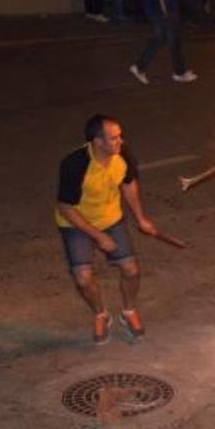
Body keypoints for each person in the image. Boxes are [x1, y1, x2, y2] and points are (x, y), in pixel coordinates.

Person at [56, 115, 159, 345]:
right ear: (97, 142)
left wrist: (140, 218)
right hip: (76, 222)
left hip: (110, 219)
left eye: (120, 136)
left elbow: (129, 182)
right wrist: (98, 236)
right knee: (83, 278)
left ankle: (129, 311)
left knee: (131, 270)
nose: (120, 141)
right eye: (114, 138)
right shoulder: (75, 164)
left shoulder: (121, 155)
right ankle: (101, 314)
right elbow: (65, 207)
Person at [130, 0, 198, 85]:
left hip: (160, 7)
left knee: (165, 36)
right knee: (172, 36)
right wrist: (165, 10)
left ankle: (140, 66)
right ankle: (179, 73)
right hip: (164, 7)